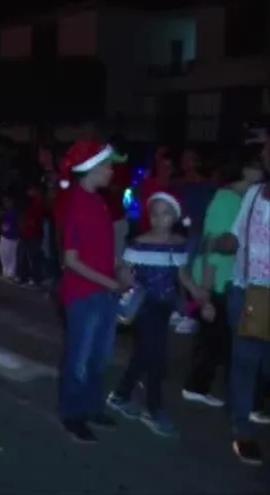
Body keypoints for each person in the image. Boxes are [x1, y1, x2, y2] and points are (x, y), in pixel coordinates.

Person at [106, 191, 211, 437]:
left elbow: (182, 274)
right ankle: (153, 408)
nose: (158, 218)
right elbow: (124, 271)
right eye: (154, 213)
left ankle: (121, 394)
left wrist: (199, 295)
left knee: (144, 352)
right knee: (157, 358)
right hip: (145, 306)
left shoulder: (178, 243)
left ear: (174, 217)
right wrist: (121, 277)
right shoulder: (139, 242)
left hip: (164, 306)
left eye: (165, 213)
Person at [57, 140, 133, 442]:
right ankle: (72, 414)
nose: (112, 170)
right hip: (84, 295)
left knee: (100, 357)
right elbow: (71, 260)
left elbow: (101, 249)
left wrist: (118, 267)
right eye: (107, 165)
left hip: (103, 292)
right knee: (80, 358)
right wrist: (112, 282)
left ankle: (91, 408)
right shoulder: (77, 203)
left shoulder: (99, 202)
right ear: (90, 168)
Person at [183, 156, 266, 408]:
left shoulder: (239, 198)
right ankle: (197, 386)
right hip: (217, 279)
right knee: (213, 338)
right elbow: (213, 245)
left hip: (226, 278)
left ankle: (200, 385)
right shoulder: (228, 199)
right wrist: (206, 289)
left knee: (217, 338)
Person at [219, 138, 270, 465]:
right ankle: (242, 430)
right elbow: (236, 237)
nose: (264, 154)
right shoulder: (253, 194)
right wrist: (219, 242)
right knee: (245, 363)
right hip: (246, 292)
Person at [17, 184, 45, 287]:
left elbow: (35, 220)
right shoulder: (31, 203)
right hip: (27, 233)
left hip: (34, 234)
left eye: (32, 189)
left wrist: (28, 222)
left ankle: (36, 278)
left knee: (34, 256)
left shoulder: (40, 203)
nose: (29, 192)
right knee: (24, 255)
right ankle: (24, 276)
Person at [0, 193, 19, 281]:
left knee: (12, 255)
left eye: (7, 201)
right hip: (4, 236)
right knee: (3, 253)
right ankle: (5, 271)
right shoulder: (5, 212)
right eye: (4, 201)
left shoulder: (15, 213)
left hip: (13, 237)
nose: (5, 203)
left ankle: (11, 273)